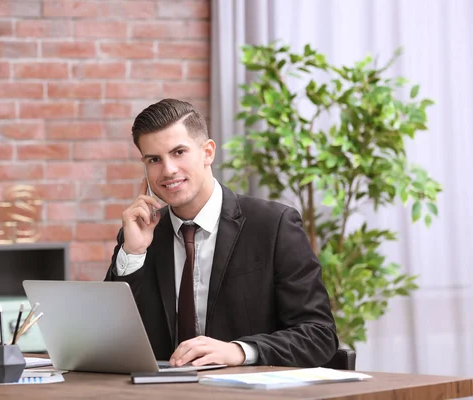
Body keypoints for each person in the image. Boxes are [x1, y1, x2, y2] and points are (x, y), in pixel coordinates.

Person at [104, 98, 338, 368]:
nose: (168, 170)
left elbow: (319, 334)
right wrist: (133, 253)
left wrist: (240, 351)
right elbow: (110, 338)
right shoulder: (141, 236)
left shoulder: (274, 226)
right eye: (154, 159)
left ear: (208, 152)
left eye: (179, 152)